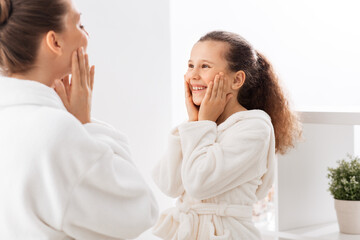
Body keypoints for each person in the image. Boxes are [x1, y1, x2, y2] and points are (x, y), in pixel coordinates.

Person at [0, 0, 158, 239]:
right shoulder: (56, 132)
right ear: (55, 42)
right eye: (79, 24)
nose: (87, 35)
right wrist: (84, 123)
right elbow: (141, 211)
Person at [152, 31, 301, 239]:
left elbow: (198, 184)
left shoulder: (255, 127)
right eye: (190, 65)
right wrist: (194, 122)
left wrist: (202, 124)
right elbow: (169, 184)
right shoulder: (201, 126)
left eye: (205, 66)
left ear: (237, 79)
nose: (193, 75)